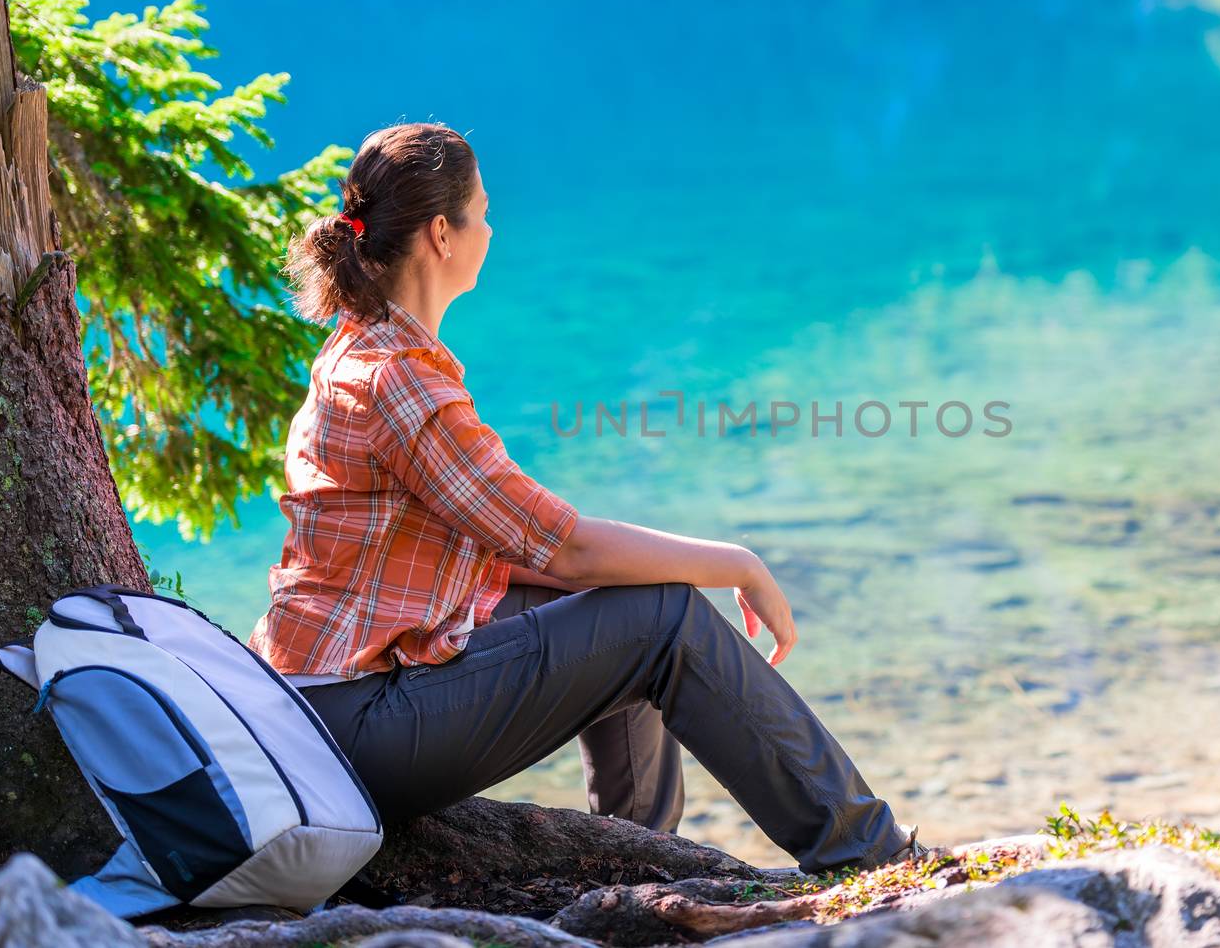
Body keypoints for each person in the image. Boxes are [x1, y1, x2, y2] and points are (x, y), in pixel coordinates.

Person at [247, 121, 924, 873]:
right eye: (483, 211)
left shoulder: (365, 347)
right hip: (354, 727)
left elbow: (526, 548)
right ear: (442, 234)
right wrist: (738, 563)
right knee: (660, 616)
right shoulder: (401, 383)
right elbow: (565, 549)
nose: (492, 229)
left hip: (328, 705)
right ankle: (870, 855)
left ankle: (639, 862)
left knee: (632, 595)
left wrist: (635, 571)